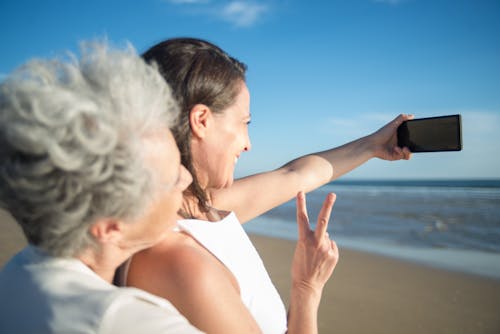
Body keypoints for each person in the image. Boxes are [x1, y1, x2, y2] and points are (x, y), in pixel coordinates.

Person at [122, 37, 412, 334]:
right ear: (201, 120)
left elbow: (295, 175)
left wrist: (373, 145)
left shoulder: (204, 208)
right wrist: (306, 289)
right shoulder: (180, 261)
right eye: (244, 123)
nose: (247, 144)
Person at [0, 41, 202, 333]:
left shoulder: (18, 271)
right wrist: (296, 289)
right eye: (173, 179)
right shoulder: (126, 320)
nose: (188, 178)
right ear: (110, 226)